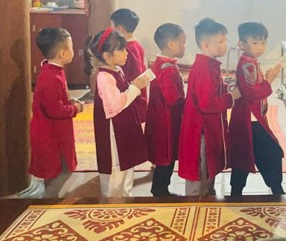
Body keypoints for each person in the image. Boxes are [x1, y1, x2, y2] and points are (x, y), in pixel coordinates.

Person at [178, 18, 241, 196]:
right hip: (201, 131)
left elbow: (211, 92)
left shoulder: (209, 64)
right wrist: (231, 97)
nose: (225, 45)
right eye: (220, 41)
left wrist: (225, 88)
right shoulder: (204, 69)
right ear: (206, 45)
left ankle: (207, 200)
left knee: (208, 170)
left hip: (207, 127)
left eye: (225, 40)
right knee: (200, 173)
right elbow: (207, 104)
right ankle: (195, 207)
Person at [85, 27, 151, 197]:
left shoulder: (117, 70)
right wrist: (135, 88)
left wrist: (134, 86)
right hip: (113, 132)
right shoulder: (104, 77)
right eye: (121, 50)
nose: (126, 53)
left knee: (127, 165)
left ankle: (125, 196)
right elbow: (114, 106)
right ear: (107, 56)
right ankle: (113, 202)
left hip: (124, 127)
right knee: (116, 171)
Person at [229, 21, 284, 196]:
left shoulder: (250, 61)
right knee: (270, 153)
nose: (260, 47)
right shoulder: (248, 64)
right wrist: (269, 80)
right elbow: (252, 94)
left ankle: (237, 192)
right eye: (255, 42)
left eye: (263, 42)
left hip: (251, 117)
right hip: (249, 119)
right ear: (241, 44)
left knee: (246, 155)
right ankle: (276, 189)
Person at [28, 27, 84, 197]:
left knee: (56, 171)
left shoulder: (53, 70)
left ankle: (49, 198)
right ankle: (48, 203)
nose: (73, 50)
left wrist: (69, 101)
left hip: (55, 130)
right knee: (60, 171)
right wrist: (76, 108)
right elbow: (55, 110)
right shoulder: (51, 77)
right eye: (71, 46)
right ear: (62, 53)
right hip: (52, 134)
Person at [145, 23, 186, 197]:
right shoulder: (168, 69)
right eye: (182, 42)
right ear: (171, 45)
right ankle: (160, 191)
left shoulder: (159, 64)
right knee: (166, 159)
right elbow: (173, 99)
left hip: (159, 118)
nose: (184, 47)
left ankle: (160, 189)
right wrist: (189, 103)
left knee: (164, 157)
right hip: (167, 122)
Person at [110, 8, 148, 123]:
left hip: (132, 99)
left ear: (119, 29)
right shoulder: (137, 45)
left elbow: (130, 76)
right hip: (138, 96)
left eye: (112, 27)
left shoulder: (126, 49)